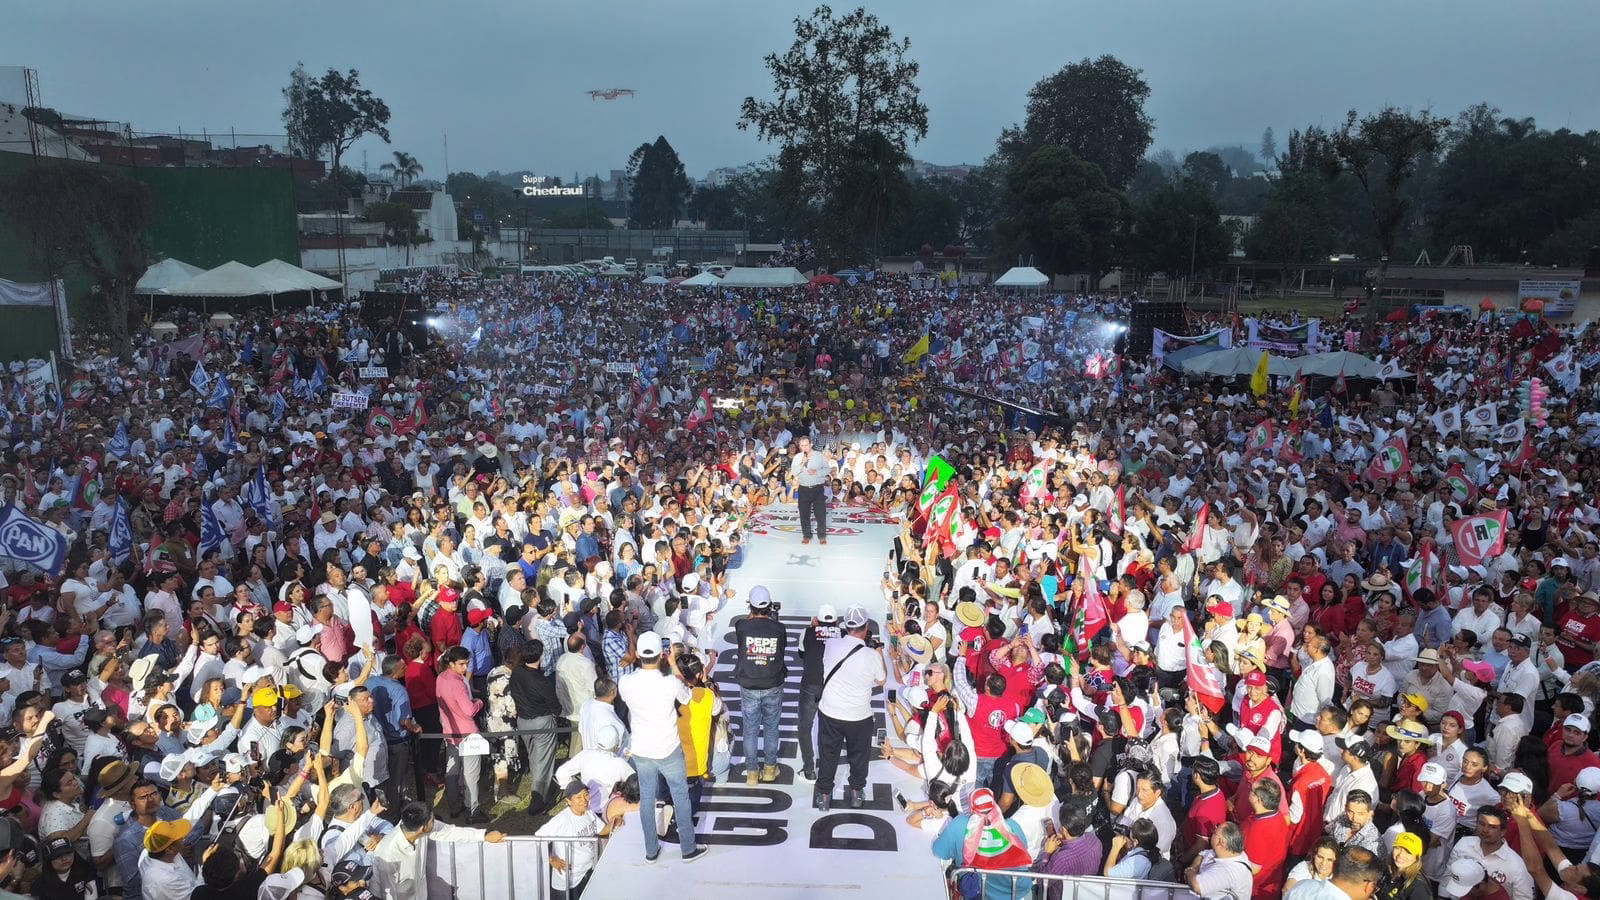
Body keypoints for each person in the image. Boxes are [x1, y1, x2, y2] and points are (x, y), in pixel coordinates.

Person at [616, 631, 706, 863]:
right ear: (662, 655)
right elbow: (687, 698)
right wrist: (674, 665)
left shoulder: (625, 682)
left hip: (641, 749)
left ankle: (651, 850)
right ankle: (688, 849)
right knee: (680, 796)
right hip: (668, 749)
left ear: (637, 654)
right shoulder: (670, 683)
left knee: (647, 798)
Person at [814, 606, 887, 811]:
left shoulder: (831, 644)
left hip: (830, 711)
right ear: (866, 627)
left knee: (828, 755)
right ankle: (856, 792)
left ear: (845, 625)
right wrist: (878, 652)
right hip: (859, 716)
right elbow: (882, 680)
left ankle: (824, 795)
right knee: (859, 756)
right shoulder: (872, 655)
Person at [373, 800, 505, 900]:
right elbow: (388, 894)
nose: (435, 821)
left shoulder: (416, 828)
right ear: (423, 828)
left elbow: (449, 832)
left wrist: (483, 836)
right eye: (432, 820)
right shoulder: (387, 854)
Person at [931, 787, 1034, 900]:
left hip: (979, 892)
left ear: (971, 808)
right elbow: (1023, 851)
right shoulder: (1012, 826)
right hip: (1015, 891)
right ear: (994, 806)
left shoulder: (960, 824)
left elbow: (939, 851)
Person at [732, 585, 787, 785]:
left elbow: (746, 628)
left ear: (750, 606)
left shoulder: (741, 625)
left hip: (749, 684)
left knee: (750, 729)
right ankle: (770, 769)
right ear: (770, 606)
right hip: (772, 683)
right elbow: (782, 648)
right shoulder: (779, 628)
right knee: (771, 728)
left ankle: (752, 773)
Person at [536, 780, 623, 899]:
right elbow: (538, 839)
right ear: (569, 801)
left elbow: (601, 830)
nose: (584, 800)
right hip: (568, 880)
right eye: (578, 797)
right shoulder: (561, 820)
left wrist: (614, 822)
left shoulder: (589, 812)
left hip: (587, 871)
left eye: (586, 795)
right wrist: (551, 859)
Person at [797, 604, 843, 782]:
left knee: (805, 726)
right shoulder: (844, 635)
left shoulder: (807, 632)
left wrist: (813, 630)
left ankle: (809, 770)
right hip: (834, 686)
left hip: (811, 684)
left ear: (816, 620)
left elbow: (802, 654)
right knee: (831, 729)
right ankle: (826, 772)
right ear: (837, 621)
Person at [1185, 821, 1255, 900]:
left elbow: (1197, 886)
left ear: (1221, 842)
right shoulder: (1233, 853)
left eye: (1215, 832)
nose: (1212, 833)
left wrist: (1190, 871)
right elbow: (1203, 854)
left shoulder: (1228, 871)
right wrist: (1194, 868)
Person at [789, 434, 831, 545]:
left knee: (820, 514)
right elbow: (794, 472)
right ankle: (806, 535)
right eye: (802, 446)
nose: (804, 448)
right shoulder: (797, 457)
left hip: (817, 489)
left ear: (811, 444)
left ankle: (822, 536)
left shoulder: (819, 456)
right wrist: (802, 462)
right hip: (803, 489)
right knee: (804, 514)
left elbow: (827, 469)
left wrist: (817, 472)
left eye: (806, 445)